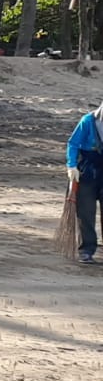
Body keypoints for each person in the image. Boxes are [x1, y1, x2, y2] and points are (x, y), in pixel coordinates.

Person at [65, 99, 103, 264]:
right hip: (87, 170)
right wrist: (71, 166)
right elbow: (73, 144)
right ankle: (86, 249)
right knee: (86, 213)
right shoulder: (88, 121)